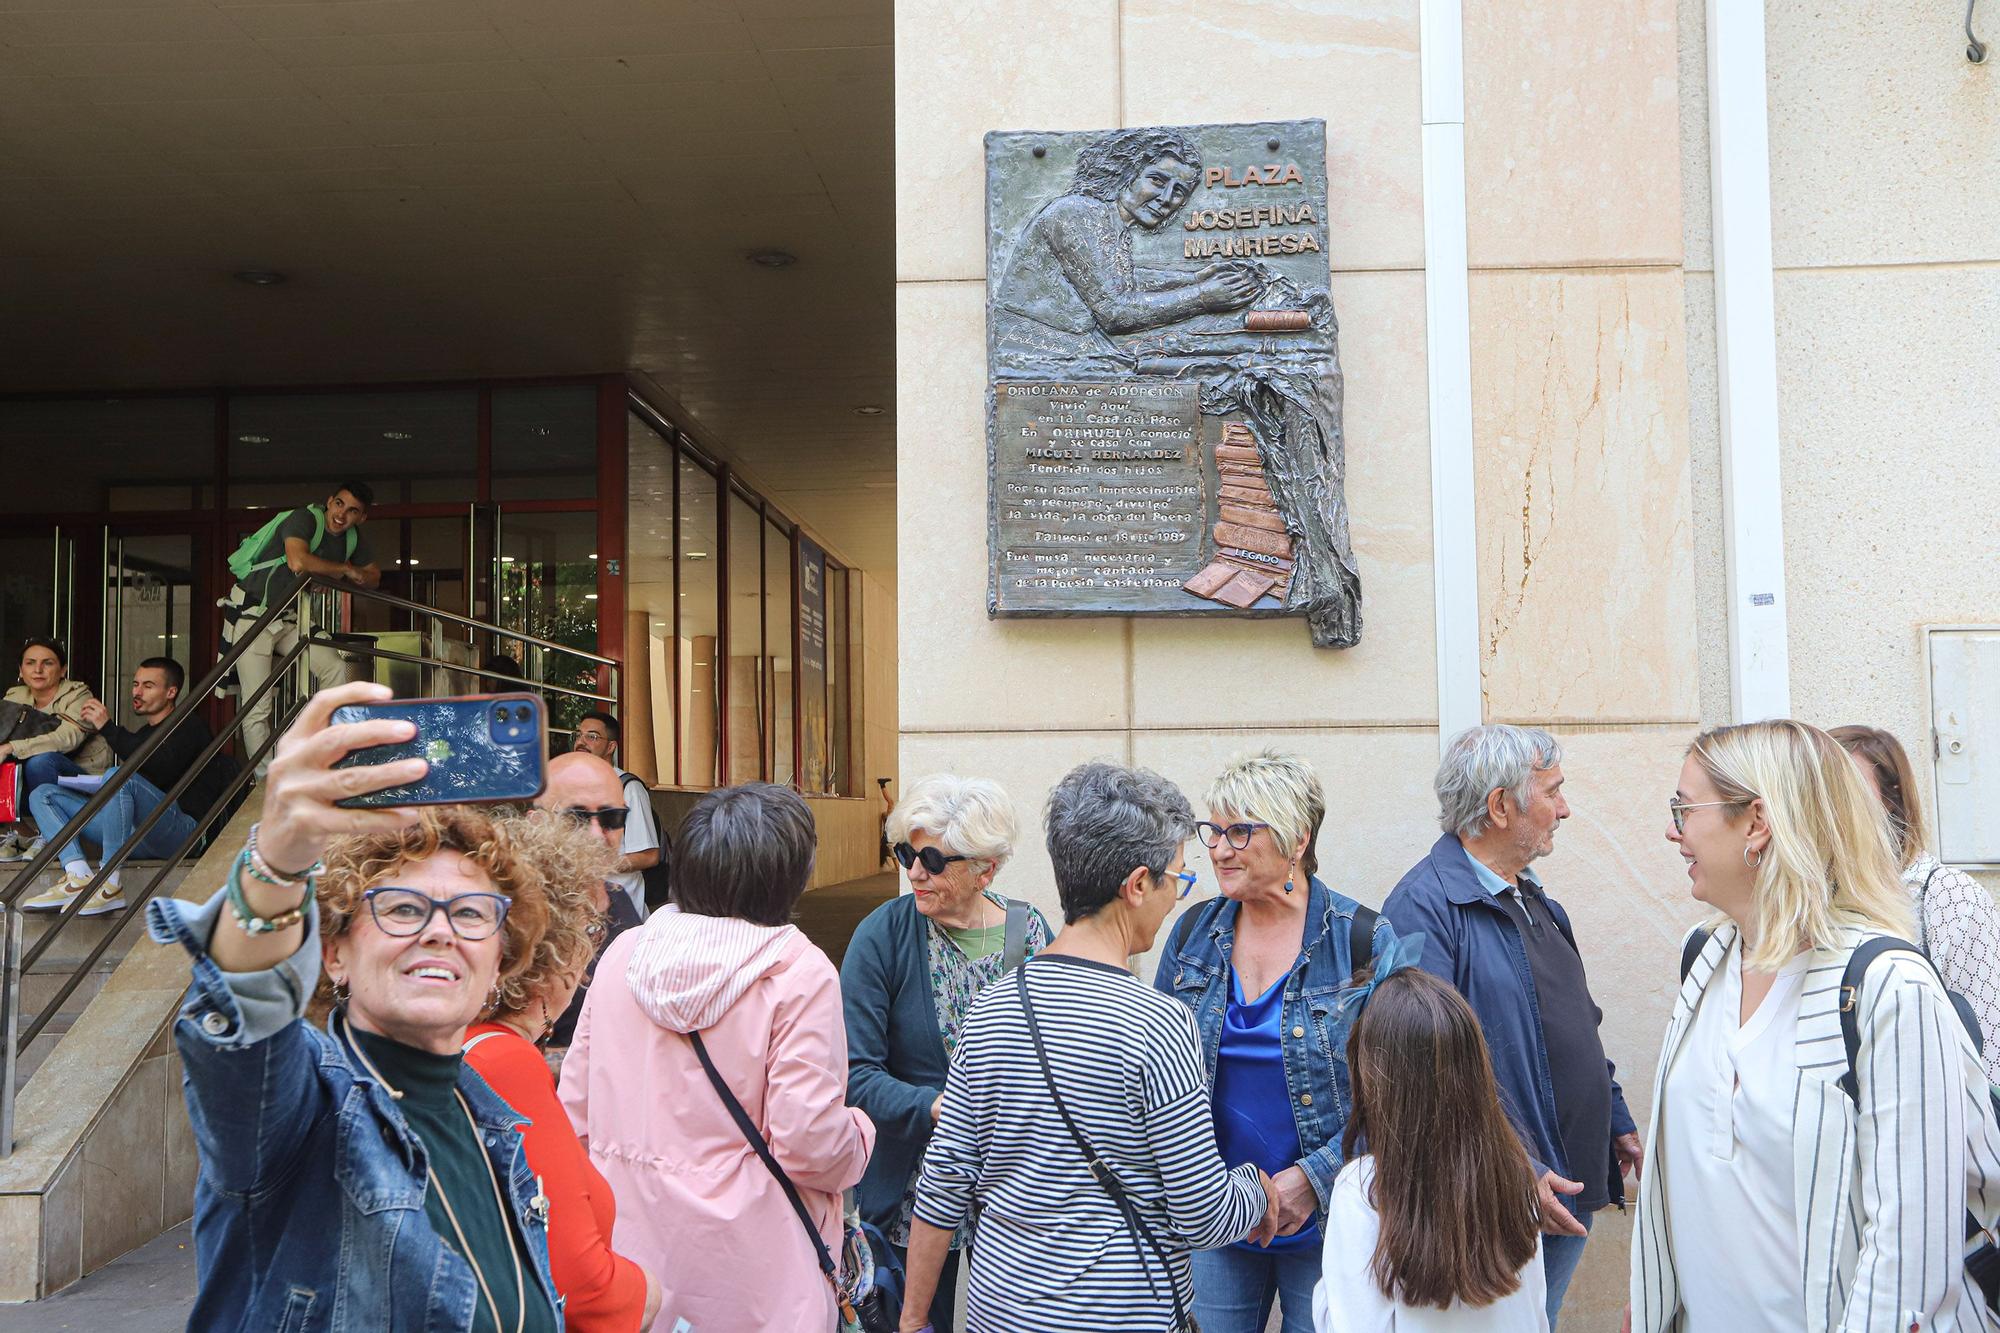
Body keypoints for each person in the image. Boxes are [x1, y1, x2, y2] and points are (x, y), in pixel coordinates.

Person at [143, 680, 568, 1331]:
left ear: (498, 964)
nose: (439, 929)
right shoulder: (301, 1109)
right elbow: (247, 1022)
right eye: (401, 907)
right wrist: (278, 863)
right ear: (334, 953)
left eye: (472, 912)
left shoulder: (496, 1127)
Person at [1632, 719, 2000, 1331]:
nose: (1672, 830)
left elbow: (1908, 1260)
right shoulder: (1705, 959)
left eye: (1684, 807)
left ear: (1755, 822)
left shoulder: (1889, 987)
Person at [902, 761, 1282, 1333]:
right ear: (1135, 886)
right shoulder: (1159, 1023)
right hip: (1123, 1314)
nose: (1177, 898)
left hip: (999, 1310)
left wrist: (911, 1320)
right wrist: (1257, 1191)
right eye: (1175, 879)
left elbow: (943, 1185)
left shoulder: (991, 1010)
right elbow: (1202, 1214)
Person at [558, 782, 875, 1331]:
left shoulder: (624, 955)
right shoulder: (798, 972)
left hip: (632, 1259)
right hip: (758, 1273)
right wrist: (861, 1134)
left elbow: (575, 1112)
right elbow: (809, 1142)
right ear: (791, 875)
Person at [1381, 726, 1637, 1330]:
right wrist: (1520, 1171)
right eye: (1553, 791)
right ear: (1500, 806)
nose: (1565, 808)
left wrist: (1616, 1119)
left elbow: (1575, 1022)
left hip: (1564, 1181)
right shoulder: (1424, 906)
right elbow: (1426, 1069)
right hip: (1499, 1195)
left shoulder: (1536, 901)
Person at [1154, 748, 1395, 1333]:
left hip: (1331, 1218)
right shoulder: (1192, 933)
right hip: (1215, 1218)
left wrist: (1310, 1180)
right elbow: (1155, 1068)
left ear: (1296, 839)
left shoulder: (1363, 941)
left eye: (1240, 831)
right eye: (1214, 831)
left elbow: (1400, 1096)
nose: (1217, 849)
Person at [843, 774, 1054, 1333]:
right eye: (906, 853)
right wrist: (939, 1109)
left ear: (986, 869)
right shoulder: (882, 935)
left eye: (933, 859)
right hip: (910, 1192)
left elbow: (1056, 1055)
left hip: (1015, 1188)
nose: (914, 872)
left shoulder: (1027, 931)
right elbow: (854, 1074)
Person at [461, 813, 661, 1332]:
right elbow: (584, 1291)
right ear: (558, 949)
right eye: (592, 928)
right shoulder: (506, 1062)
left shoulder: (457, 1044)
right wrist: (649, 1293)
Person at [1314, 960, 1548, 1333]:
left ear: (1376, 1075)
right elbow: (1535, 1315)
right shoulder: (1513, 1174)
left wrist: (1324, 1297)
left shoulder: (1364, 1189)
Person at [993, 126, 1262, 370]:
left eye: (1179, 191)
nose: (1167, 199)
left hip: (1067, 342)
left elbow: (1123, 279)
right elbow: (1116, 311)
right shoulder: (1077, 213)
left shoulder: (1109, 221)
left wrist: (1194, 278)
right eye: (1157, 180)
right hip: (1030, 346)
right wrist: (1203, 297)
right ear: (1125, 173)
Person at [1831, 722, 2000, 1085]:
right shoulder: (1809, 899)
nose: (1831, 809)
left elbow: (1990, 1054)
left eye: (1847, 791)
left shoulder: (1947, 896)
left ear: (1891, 801)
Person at [20, 657, 230, 917]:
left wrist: (108, 729)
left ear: (171, 692)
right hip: (138, 834)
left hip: (184, 834)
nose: (137, 692)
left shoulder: (188, 725)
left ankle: (109, 883)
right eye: (136, 684)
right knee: (43, 794)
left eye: (149, 686)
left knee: (118, 776)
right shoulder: (142, 734)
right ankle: (77, 874)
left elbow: (159, 768)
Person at [223, 482, 379, 768]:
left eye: (353, 510)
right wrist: (343, 570)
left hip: (290, 617)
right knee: (258, 705)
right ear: (329, 501)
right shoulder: (304, 518)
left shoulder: (352, 539)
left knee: (333, 666)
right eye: (339, 504)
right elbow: (298, 561)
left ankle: (324, 755)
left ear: (362, 517)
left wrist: (332, 574)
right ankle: (265, 780)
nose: (342, 514)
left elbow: (373, 576)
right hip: (253, 616)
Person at [534, 751, 645, 1049]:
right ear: (535, 822)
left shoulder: (619, 899)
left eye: (611, 818)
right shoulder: (511, 910)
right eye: (576, 817)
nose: (597, 835)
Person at [0, 636, 114, 863]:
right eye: (30, 663)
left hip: (79, 778)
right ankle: (20, 833)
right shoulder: (14, 696)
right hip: (32, 780)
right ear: (21, 670)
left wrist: (12, 746)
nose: (38, 670)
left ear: (63, 670)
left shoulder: (78, 695)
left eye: (48, 663)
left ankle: (48, 835)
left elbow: (67, 739)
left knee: (41, 761)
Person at [570, 710, 661, 918]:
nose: (581, 742)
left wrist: (596, 864)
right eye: (578, 735)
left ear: (611, 746)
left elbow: (649, 856)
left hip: (620, 914)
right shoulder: (572, 787)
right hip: (581, 912)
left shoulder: (629, 788)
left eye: (592, 736)